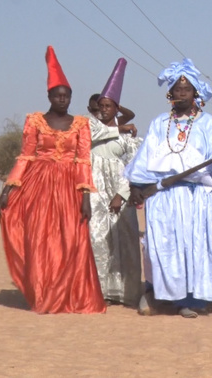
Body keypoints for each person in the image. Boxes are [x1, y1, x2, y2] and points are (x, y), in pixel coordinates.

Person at [0, 46, 105, 314]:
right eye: (57, 95)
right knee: (40, 239)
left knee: (70, 238)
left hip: (69, 186)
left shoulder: (80, 124)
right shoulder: (34, 121)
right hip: (38, 185)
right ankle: (42, 292)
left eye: (66, 96)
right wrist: (8, 190)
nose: (61, 100)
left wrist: (86, 198)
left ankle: (68, 293)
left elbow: (83, 161)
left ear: (71, 98)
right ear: (49, 95)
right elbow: (25, 157)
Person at [124, 58, 212, 318]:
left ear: (196, 93)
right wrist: (137, 185)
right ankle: (158, 293)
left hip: (199, 198)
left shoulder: (210, 125)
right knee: (162, 245)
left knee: (196, 246)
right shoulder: (160, 124)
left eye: (187, 89)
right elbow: (145, 158)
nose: (182, 93)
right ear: (170, 92)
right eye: (177, 89)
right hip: (164, 196)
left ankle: (192, 300)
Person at [88, 58, 143, 307]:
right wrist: (120, 128)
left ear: (117, 108)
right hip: (95, 189)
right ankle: (101, 291)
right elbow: (93, 135)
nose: (104, 110)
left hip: (121, 190)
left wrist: (121, 193)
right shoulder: (90, 127)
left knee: (126, 238)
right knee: (99, 239)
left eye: (109, 106)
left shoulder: (130, 136)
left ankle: (126, 292)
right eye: (101, 106)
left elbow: (134, 165)